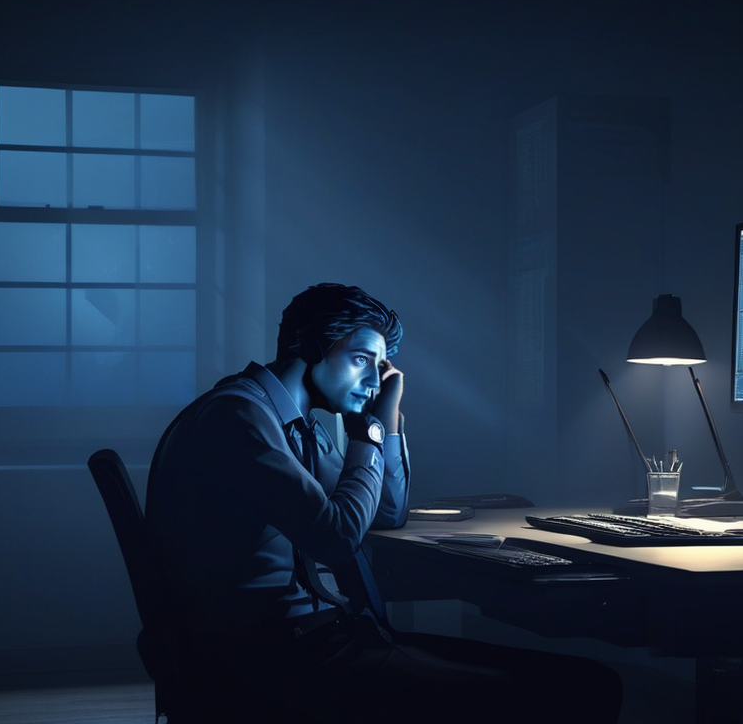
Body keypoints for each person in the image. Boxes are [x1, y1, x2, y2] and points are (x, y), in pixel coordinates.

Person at [145, 283, 622, 723]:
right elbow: (335, 538)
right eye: (360, 360)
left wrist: (385, 423)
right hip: (277, 660)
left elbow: (385, 514)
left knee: (583, 679)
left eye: (381, 364)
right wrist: (369, 434)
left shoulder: (299, 425)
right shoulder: (239, 417)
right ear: (311, 347)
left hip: (321, 639)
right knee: (584, 688)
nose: (375, 379)